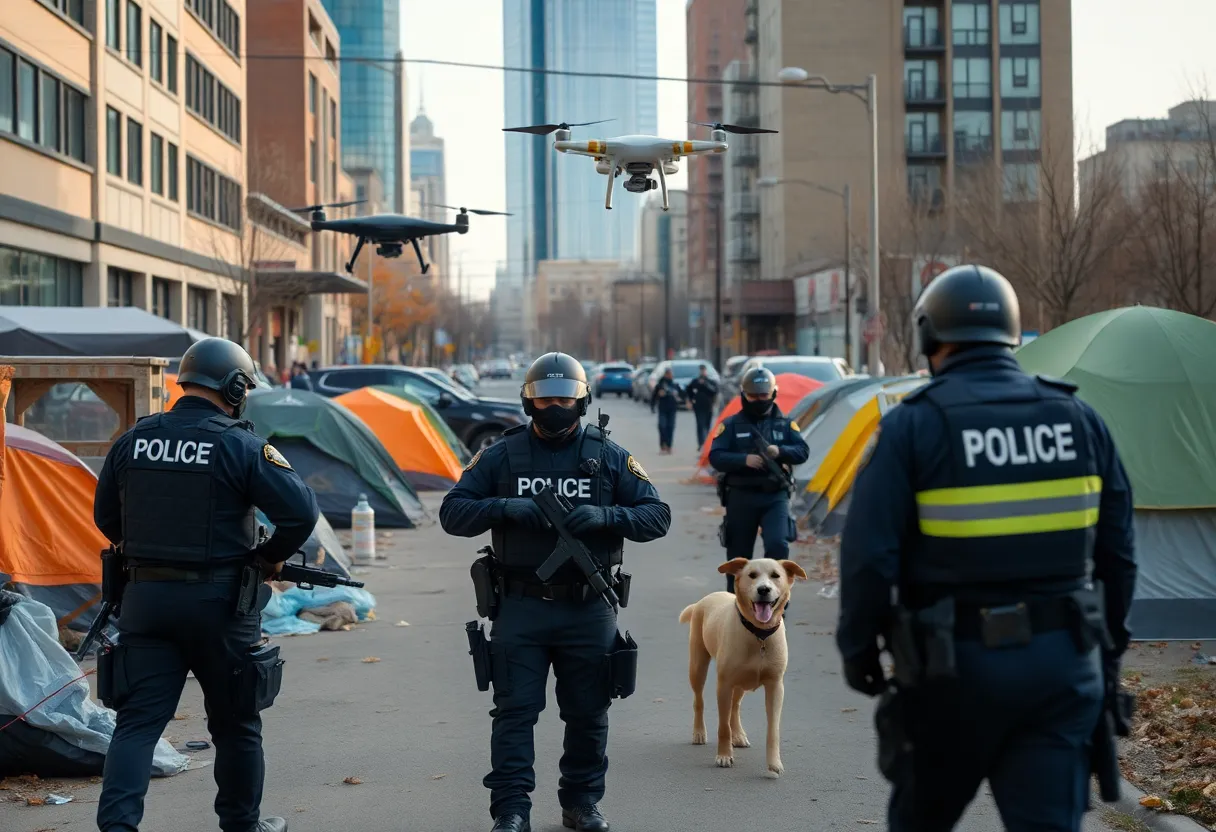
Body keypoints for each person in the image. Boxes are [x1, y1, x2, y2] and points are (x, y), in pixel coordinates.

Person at [835, 264, 1138, 831]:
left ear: (929, 337)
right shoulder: (1079, 419)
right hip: (1063, 668)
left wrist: (859, 651)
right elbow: (1119, 554)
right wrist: (1108, 652)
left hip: (953, 673)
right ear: (1011, 334)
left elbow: (869, 557)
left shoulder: (913, 427)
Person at [93, 338, 320, 832]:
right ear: (236, 387)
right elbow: (301, 513)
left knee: (136, 725)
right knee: (236, 724)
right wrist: (268, 559)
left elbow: (106, 518)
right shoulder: (241, 444)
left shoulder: (134, 441)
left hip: (146, 601)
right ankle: (242, 826)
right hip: (221, 605)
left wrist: (153, 551)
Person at [440, 351, 671, 832]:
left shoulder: (609, 456)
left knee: (588, 714)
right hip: (520, 605)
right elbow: (453, 512)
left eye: (564, 397)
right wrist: (504, 507)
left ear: (582, 400)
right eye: (544, 398)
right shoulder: (501, 455)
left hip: (588, 607)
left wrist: (609, 517)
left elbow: (657, 516)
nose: (554, 406)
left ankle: (582, 802)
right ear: (528, 401)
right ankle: (511, 809)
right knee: (514, 713)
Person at [708, 367, 809, 593]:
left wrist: (779, 451)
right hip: (741, 497)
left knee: (778, 546)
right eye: (753, 395)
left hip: (775, 497)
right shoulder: (731, 425)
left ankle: (777, 603)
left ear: (773, 393)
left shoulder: (785, 425)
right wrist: (744, 460)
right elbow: (716, 456)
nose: (759, 400)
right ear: (744, 394)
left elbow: (802, 451)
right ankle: (734, 605)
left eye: (764, 395)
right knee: (738, 557)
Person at [685, 364, 719, 448]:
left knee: (707, 425)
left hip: (708, 406)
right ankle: (701, 443)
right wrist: (690, 400)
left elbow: (714, 391)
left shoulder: (710, 381)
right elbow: (688, 391)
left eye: (703, 370)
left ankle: (707, 443)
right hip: (698, 406)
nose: (702, 372)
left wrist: (705, 384)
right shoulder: (695, 381)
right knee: (700, 424)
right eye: (701, 370)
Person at [650, 367, 680, 454]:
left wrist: (681, 398)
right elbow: (654, 397)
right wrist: (652, 406)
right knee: (662, 427)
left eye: (671, 374)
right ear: (666, 374)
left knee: (670, 427)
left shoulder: (674, 384)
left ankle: (669, 446)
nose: (671, 375)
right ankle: (663, 445)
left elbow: (682, 394)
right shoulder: (660, 385)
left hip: (672, 409)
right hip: (662, 409)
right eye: (669, 374)